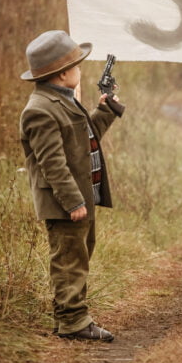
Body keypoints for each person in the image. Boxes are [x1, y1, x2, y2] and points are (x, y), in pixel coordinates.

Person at [19, 30, 123, 342]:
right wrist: (72, 202)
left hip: (81, 199)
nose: (80, 70)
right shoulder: (40, 109)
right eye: (76, 65)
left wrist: (107, 109)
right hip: (67, 203)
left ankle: (72, 315)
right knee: (68, 261)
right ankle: (73, 323)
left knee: (78, 256)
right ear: (63, 73)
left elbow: (82, 143)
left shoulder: (62, 100)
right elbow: (52, 165)